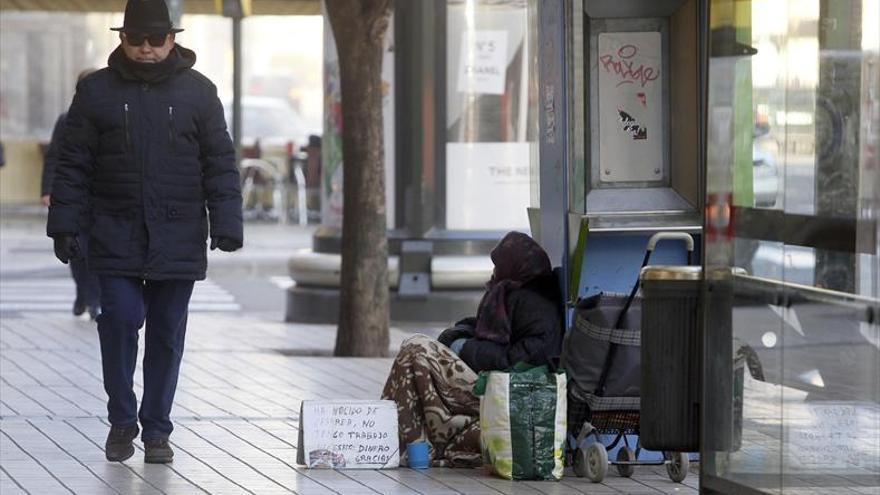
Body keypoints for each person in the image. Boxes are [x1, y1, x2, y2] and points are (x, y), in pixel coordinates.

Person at [46, 0, 242, 464]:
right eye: (137, 39)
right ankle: (121, 420)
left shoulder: (199, 92)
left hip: (179, 232)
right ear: (122, 39)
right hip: (114, 231)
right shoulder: (96, 92)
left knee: (167, 335)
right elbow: (73, 164)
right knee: (118, 319)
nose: (148, 48)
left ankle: (156, 430)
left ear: (173, 39)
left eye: (157, 39)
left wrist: (228, 221)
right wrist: (64, 225)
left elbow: (220, 162)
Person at [382, 231, 564, 467]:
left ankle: (389, 436)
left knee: (417, 350)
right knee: (414, 349)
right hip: (490, 378)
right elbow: (481, 328)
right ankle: (393, 437)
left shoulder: (537, 305)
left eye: (499, 265)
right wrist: (456, 336)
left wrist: (465, 348)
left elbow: (515, 360)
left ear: (514, 265)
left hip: (504, 387)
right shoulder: (510, 292)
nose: (494, 271)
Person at [42, 69, 101, 320]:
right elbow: (54, 157)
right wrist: (47, 190)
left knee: (98, 250)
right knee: (77, 251)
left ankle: (94, 299)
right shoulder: (67, 120)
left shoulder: (111, 116)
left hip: (102, 197)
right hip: (75, 196)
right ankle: (83, 292)